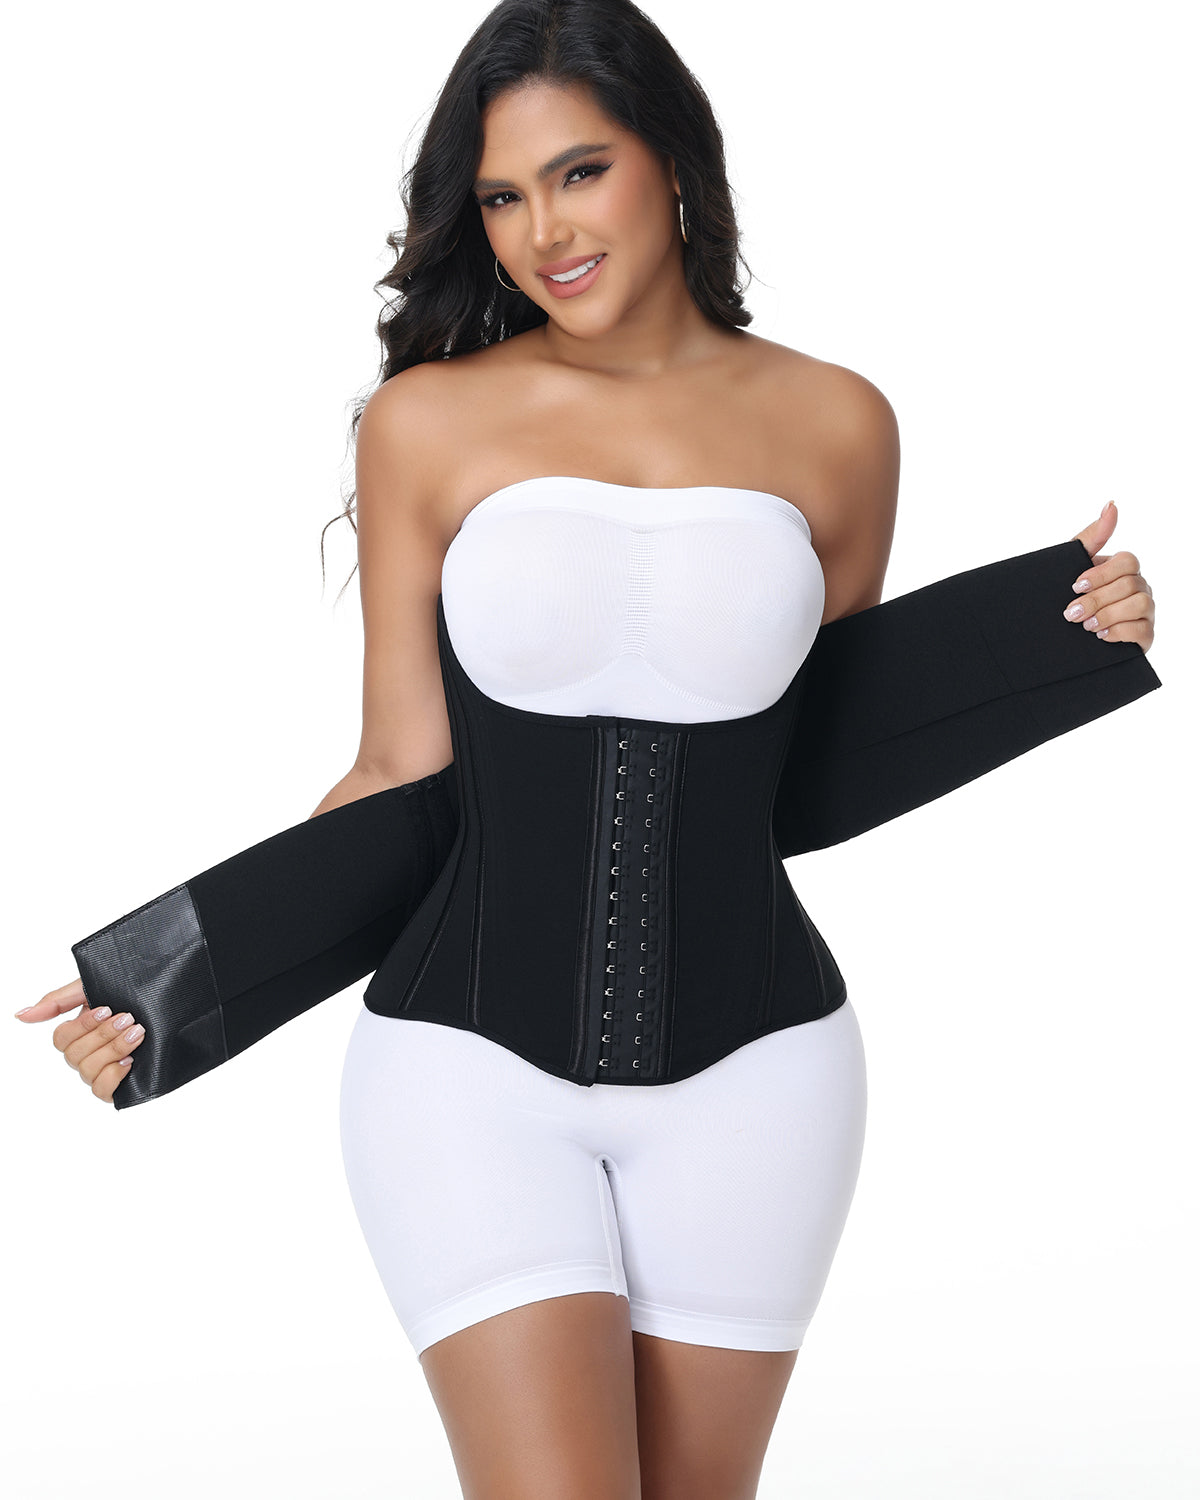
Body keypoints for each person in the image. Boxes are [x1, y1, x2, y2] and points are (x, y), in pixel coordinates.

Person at [15, 2, 1160, 1496]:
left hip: (764, 1077)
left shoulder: (838, 422)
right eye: (501, 196)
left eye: (579, 172)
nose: (543, 231)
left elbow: (808, 771)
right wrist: (174, 981)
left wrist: (1059, 636)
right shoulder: (426, 424)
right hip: (462, 1074)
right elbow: (399, 774)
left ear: (671, 160)